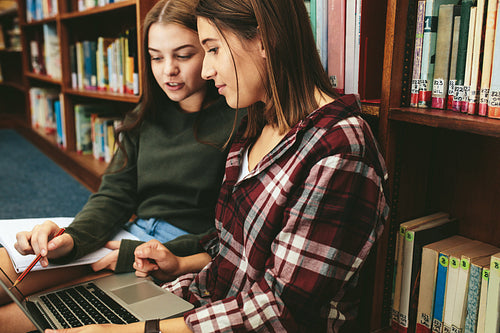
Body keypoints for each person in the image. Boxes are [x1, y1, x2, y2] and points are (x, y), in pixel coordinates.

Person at [26, 0, 389, 331]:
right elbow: (226, 255)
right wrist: (172, 274)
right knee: (40, 308)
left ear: (264, 39)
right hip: (205, 302)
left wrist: (133, 328)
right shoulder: (256, 126)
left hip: (236, 319)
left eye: (210, 49)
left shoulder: (339, 148)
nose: (208, 70)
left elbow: (281, 310)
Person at [0, 0, 245, 331]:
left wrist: (136, 254)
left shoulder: (239, 120)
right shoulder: (146, 115)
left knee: (17, 319)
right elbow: (113, 195)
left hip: (171, 254)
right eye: (156, 57)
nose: (167, 70)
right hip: (124, 234)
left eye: (183, 55)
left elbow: (227, 234)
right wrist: (70, 238)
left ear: (210, 50)